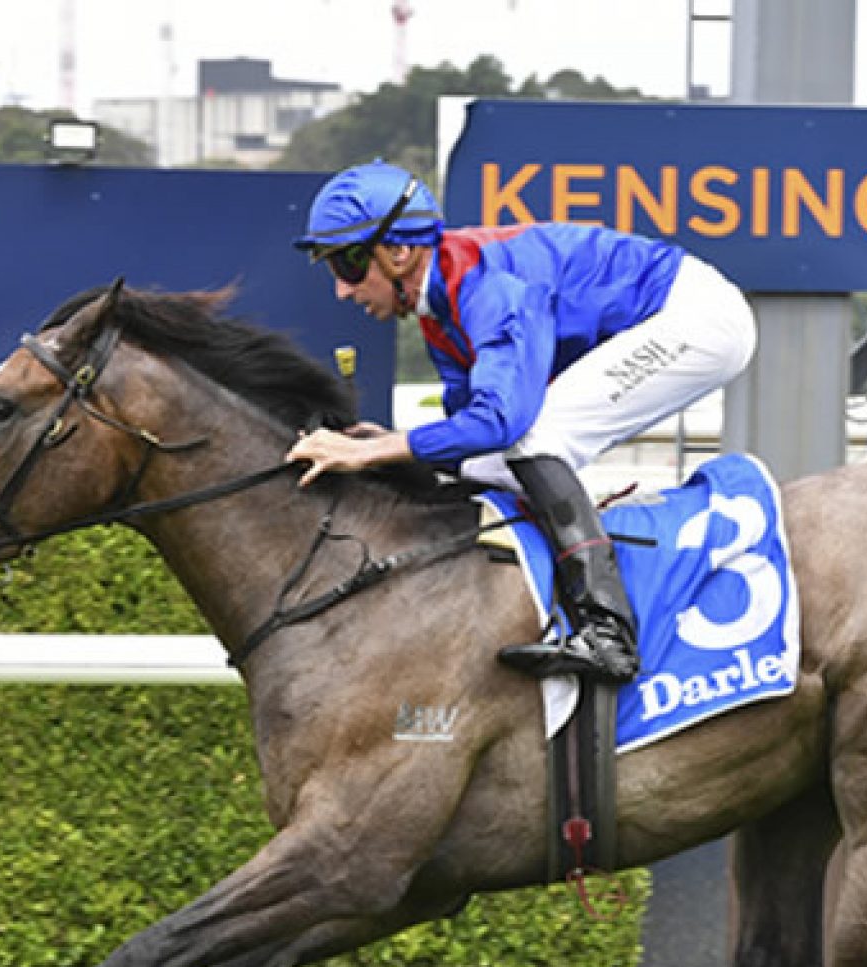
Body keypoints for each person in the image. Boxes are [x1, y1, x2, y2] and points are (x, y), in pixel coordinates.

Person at [287, 160, 758, 683]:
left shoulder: (485, 287)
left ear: (398, 252)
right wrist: (389, 446)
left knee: (538, 438)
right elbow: (471, 435)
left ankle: (608, 629)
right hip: (673, 316)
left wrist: (372, 451)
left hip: (696, 318)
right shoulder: (440, 306)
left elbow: (501, 422)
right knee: (491, 463)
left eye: (348, 267)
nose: (342, 291)